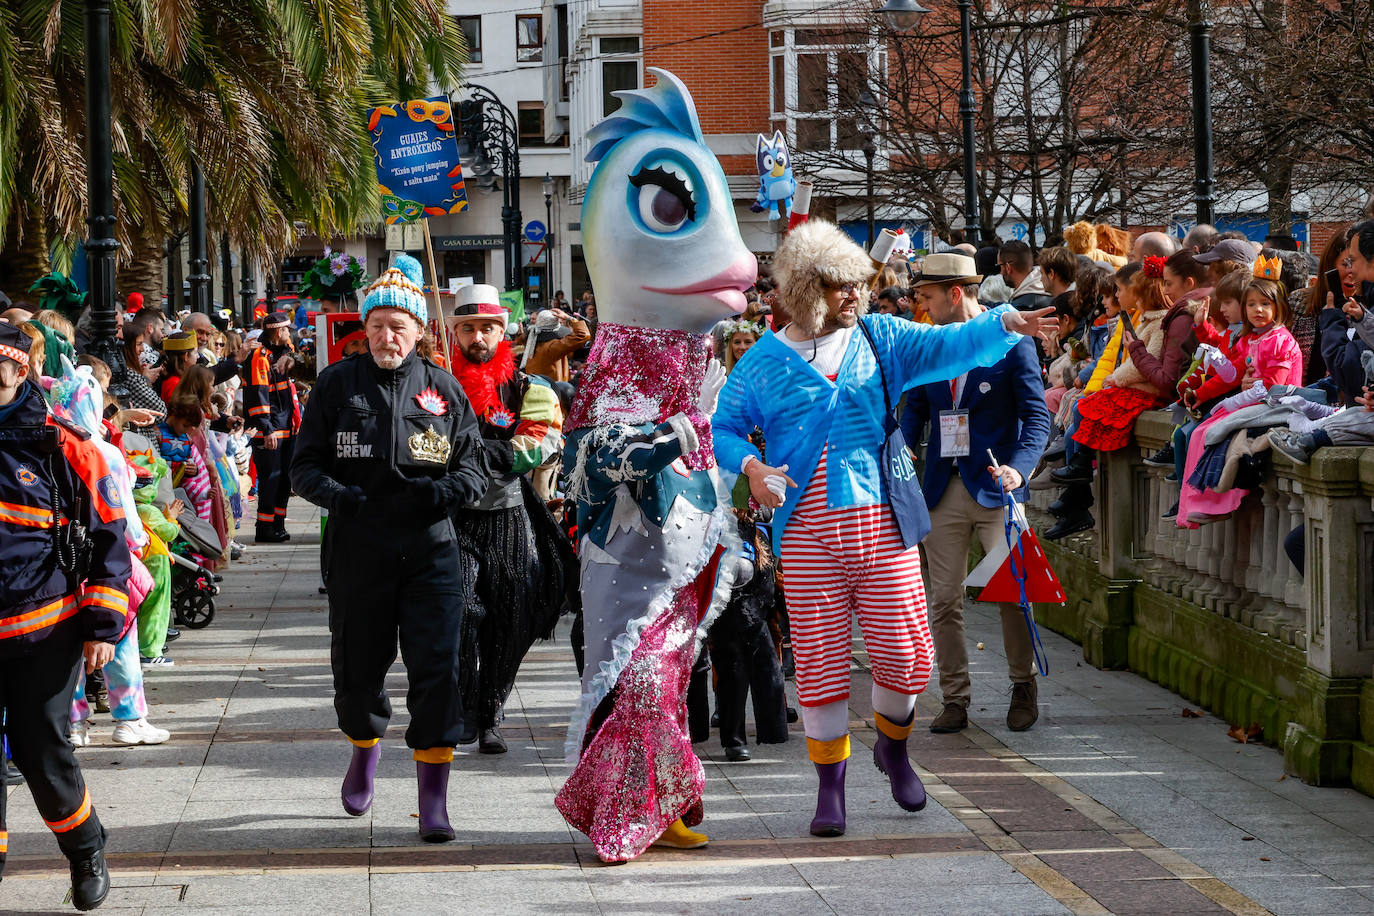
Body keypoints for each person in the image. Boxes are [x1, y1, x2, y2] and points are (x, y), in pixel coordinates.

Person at [714, 220, 1055, 838]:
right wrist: (752, 465)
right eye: (839, 286)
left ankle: (893, 748)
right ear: (803, 289)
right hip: (806, 534)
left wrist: (1005, 324)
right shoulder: (761, 363)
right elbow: (725, 427)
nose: (855, 295)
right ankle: (830, 787)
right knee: (818, 664)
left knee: (909, 658)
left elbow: (946, 346)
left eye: (857, 284)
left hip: (883, 525)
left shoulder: (880, 336)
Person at [290, 254, 489, 842]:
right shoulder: (335, 386)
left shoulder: (445, 390)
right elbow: (303, 468)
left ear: (420, 331)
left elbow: (475, 473)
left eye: (399, 326)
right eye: (376, 324)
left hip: (431, 553)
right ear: (364, 328)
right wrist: (345, 500)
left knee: (438, 672)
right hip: (359, 551)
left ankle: (434, 802)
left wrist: (439, 494)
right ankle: (363, 750)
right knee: (358, 672)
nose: (386, 336)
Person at [0, 322, 130, 910]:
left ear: (18, 370)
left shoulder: (63, 443)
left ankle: (85, 850)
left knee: (41, 751)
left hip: (43, 628)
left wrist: (103, 627)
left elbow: (110, 535)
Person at [900, 253, 1051, 734]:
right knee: (942, 600)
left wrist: (1019, 470)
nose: (920, 307)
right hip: (941, 490)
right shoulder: (928, 343)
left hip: (996, 489)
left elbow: (1038, 417)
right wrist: (898, 453)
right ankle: (955, 698)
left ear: (954, 293)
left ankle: (1023, 684)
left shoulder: (1011, 342)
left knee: (1014, 594)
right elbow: (913, 413)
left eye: (926, 297)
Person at [444, 284, 573, 755]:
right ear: (454, 332)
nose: (478, 337)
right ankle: (462, 706)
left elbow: (540, 443)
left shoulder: (530, 388)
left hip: (510, 515)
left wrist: (477, 453)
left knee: (512, 617)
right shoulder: (436, 385)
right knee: (458, 611)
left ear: (504, 332)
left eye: (487, 328)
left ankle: (491, 710)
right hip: (453, 518)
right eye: (468, 328)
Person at [242, 312, 296, 543]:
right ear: (277, 332)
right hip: (271, 429)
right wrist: (266, 428)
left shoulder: (280, 353)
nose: (289, 334)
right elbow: (258, 394)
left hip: (285, 427)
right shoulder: (259, 356)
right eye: (286, 330)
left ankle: (278, 526)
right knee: (270, 479)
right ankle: (264, 528)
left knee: (283, 479)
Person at [521, 308, 591, 382]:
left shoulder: (531, 341)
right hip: (552, 389)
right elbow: (583, 335)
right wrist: (569, 318)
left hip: (534, 386)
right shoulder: (553, 347)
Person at [998, 240, 1053, 312]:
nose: (1000, 273)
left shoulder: (1021, 308)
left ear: (1008, 268)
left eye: (1000, 266)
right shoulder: (1052, 293)